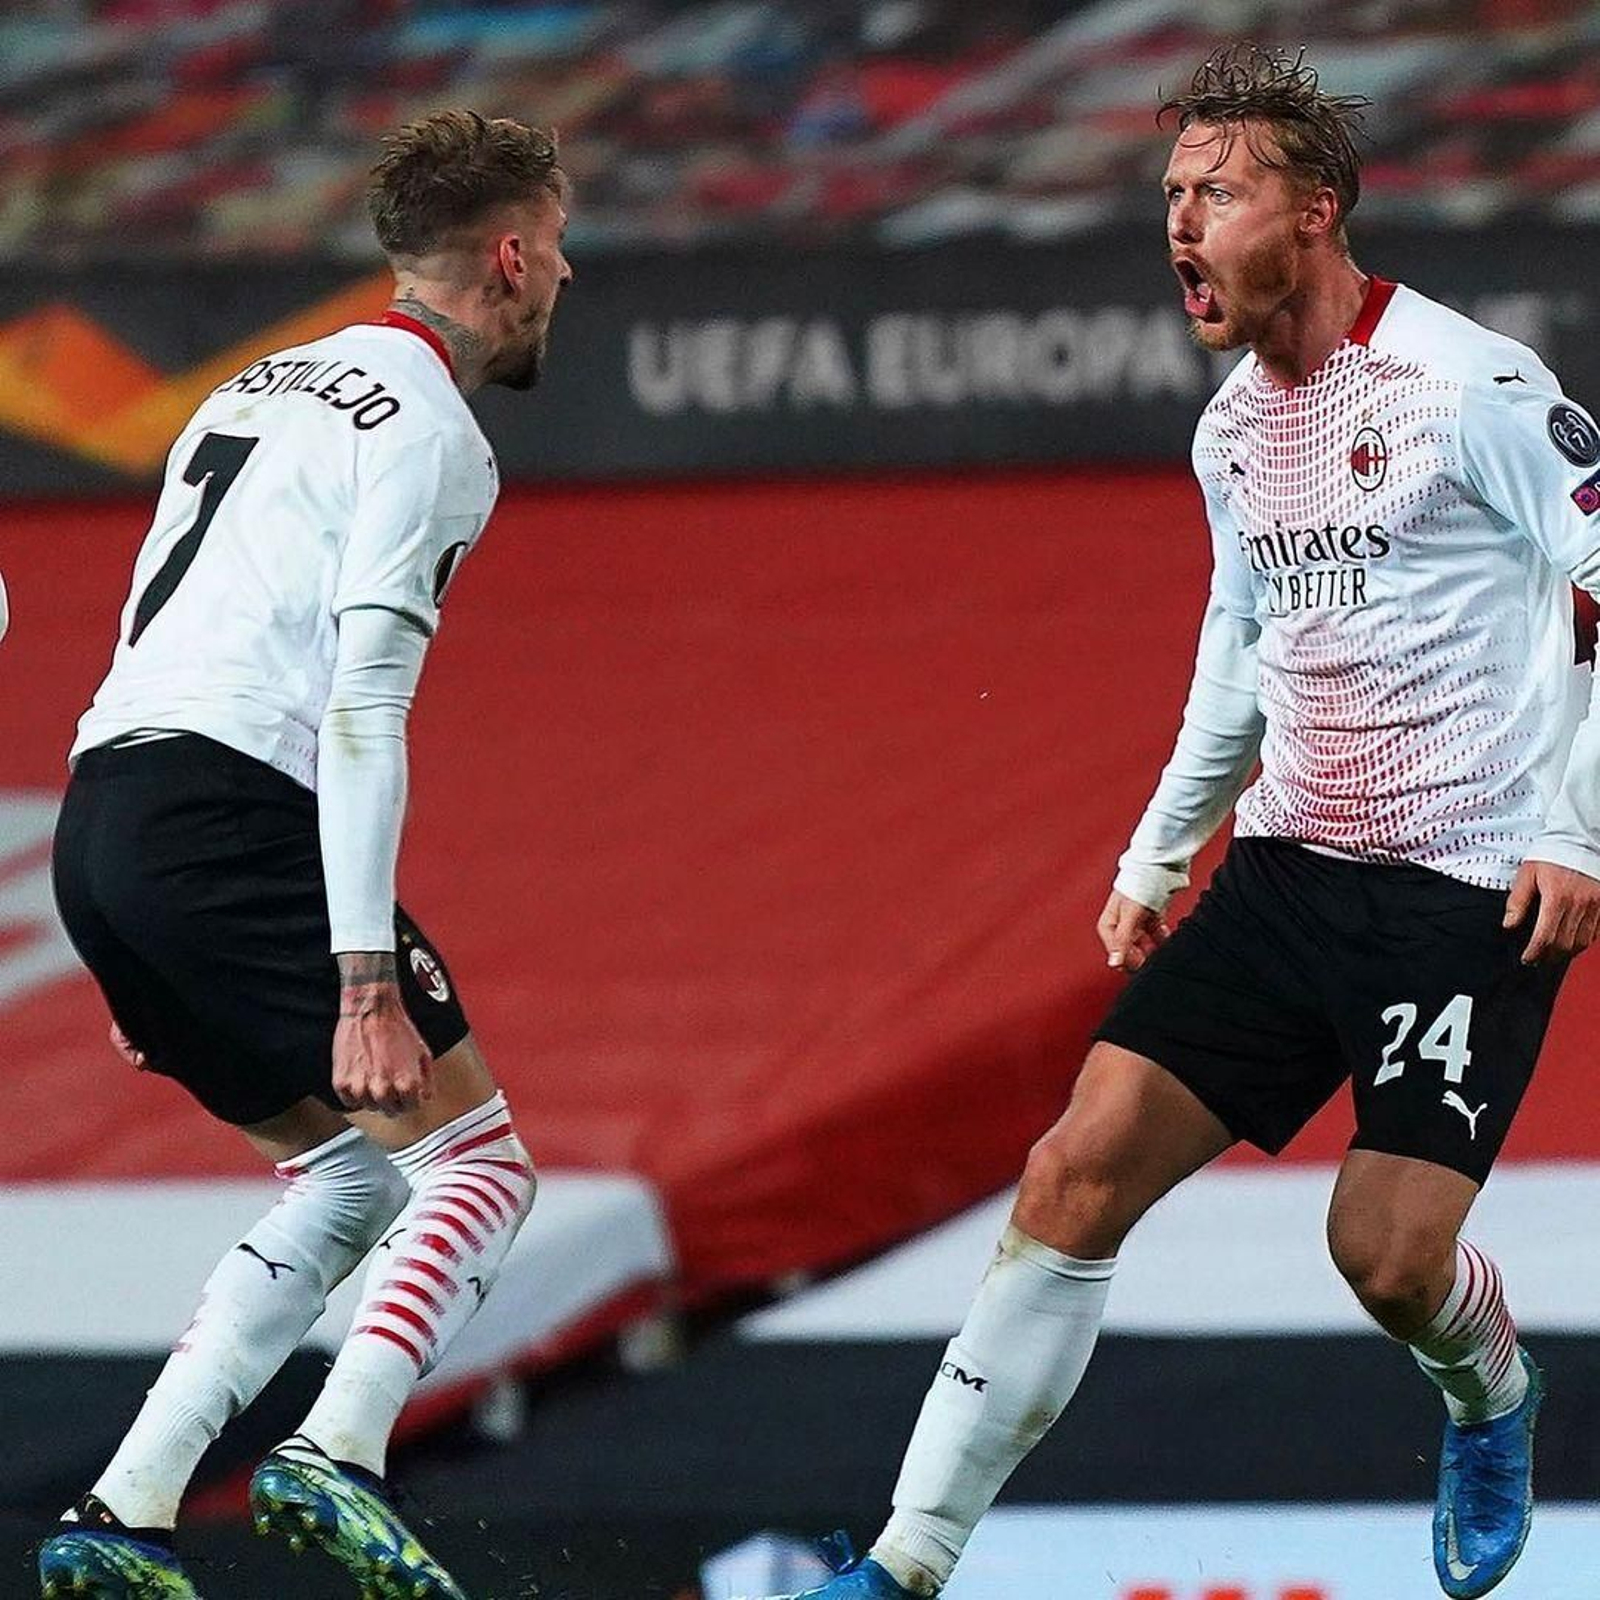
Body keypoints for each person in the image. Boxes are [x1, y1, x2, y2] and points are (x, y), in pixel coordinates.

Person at [760, 43, 1600, 1600]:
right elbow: (1241, 647)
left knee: (1387, 1260)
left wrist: (1582, 833)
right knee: (1073, 1173)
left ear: (1318, 215)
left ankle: (1492, 1393)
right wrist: (1162, 850)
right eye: (1169, 194)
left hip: (1466, 885)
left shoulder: (1473, 386)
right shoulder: (1230, 428)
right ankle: (904, 1564)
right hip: (1287, 871)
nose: (1179, 223)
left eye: (1217, 191)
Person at [40, 109, 572, 1600]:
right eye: (562, 244)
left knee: (344, 1178)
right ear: (512, 255)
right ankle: (339, 1450)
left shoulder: (248, 390)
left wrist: (129, 927)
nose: (568, 276)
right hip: (228, 810)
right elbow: (363, 706)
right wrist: (360, 977)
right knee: (479, 1170)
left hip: (106, 821)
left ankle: (123, 1510)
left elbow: (162, 627)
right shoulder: (433, 434)